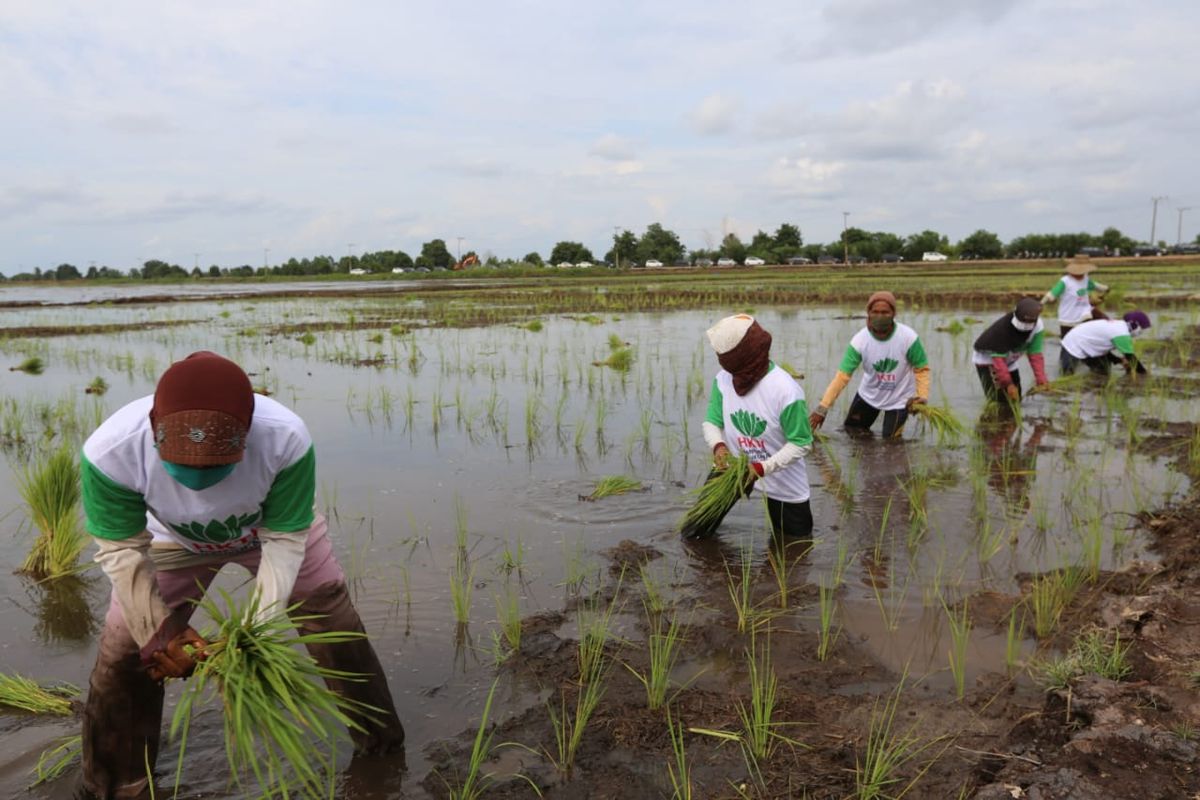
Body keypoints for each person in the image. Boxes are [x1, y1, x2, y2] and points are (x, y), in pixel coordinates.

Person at [79, 352, 403, 799]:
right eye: (181, 462)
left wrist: (253, 633)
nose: (196, 479)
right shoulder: (110, 450)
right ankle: (117, 786)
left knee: (334, 623)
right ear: (153, 426)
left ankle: (383, 750)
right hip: (171, 543)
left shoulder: (284, 437)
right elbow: (120, 549)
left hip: (270, 534)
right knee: (124, 650)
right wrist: (157, 630)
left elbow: (287, 539)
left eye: (213, 465)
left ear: (248, 435)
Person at [683, 314, 815, 540]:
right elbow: (712, 422)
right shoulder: (723, 380)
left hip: (782, 477)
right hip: (733, 466)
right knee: (694, 533)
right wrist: (719, 447)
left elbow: (801, 443)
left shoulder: (785, 391)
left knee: (795, 547)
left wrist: (761, 469)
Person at [809, 291, 931, 438]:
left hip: (900, 399)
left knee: (891, 444)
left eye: (885, 312)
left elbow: (922, 369)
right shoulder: (860, 341)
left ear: (894, 313)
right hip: (869, 395)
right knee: (852, 433)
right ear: (868, 313)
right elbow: (842, 376)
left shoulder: (908, 338)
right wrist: (823, 407)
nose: (880, 316)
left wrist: (922, 396)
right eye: (875, 312)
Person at [971, 297, 1050, 403]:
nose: (1025, 326)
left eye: (1029, 323)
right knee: (998, 400)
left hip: (1010, 358)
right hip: (988, 360)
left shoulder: (1037, 327)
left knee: (1017, 397)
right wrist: (1008, 384)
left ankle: (1013, 418)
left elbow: (1035, 354)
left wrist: (1041, 380)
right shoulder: (1002, 329)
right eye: (1023, 322)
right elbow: (998, 360)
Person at [1040, 254, 1109, 374]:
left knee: (1087, 341)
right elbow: (1051, 295)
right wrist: (1041, 304)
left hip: (1084, 316)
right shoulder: (1065, 281)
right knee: (1067, 344)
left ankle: (1096, 366)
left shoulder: (1086, 279)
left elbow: (1096, 286)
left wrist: (1106, 289)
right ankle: (1065, 368)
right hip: (1068, 318)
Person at [1060, 311, 1151, 377]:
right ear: (1134, 325)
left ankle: (1094, 386)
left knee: (1102, 370)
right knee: (1067, 376)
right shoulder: (1121, 333)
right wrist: (1144, 374)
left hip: (1087, 344)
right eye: (1142, 328)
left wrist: (1119, 361)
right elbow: (1131, 358)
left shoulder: (1119, 326)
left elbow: (1103, 349)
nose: (1141, 331)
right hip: (1073, 344)